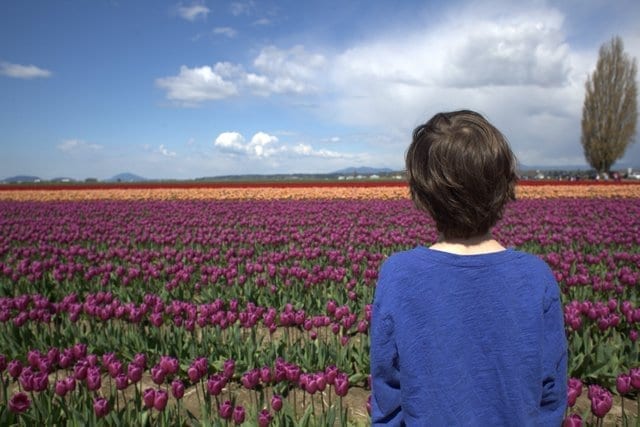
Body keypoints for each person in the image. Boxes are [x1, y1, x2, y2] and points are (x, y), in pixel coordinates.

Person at [370, 110, 567, 425]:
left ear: (421, 195)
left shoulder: (399, 274)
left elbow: (387, 390)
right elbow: (551, 393)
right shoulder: (535, 276)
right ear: (505, 186)